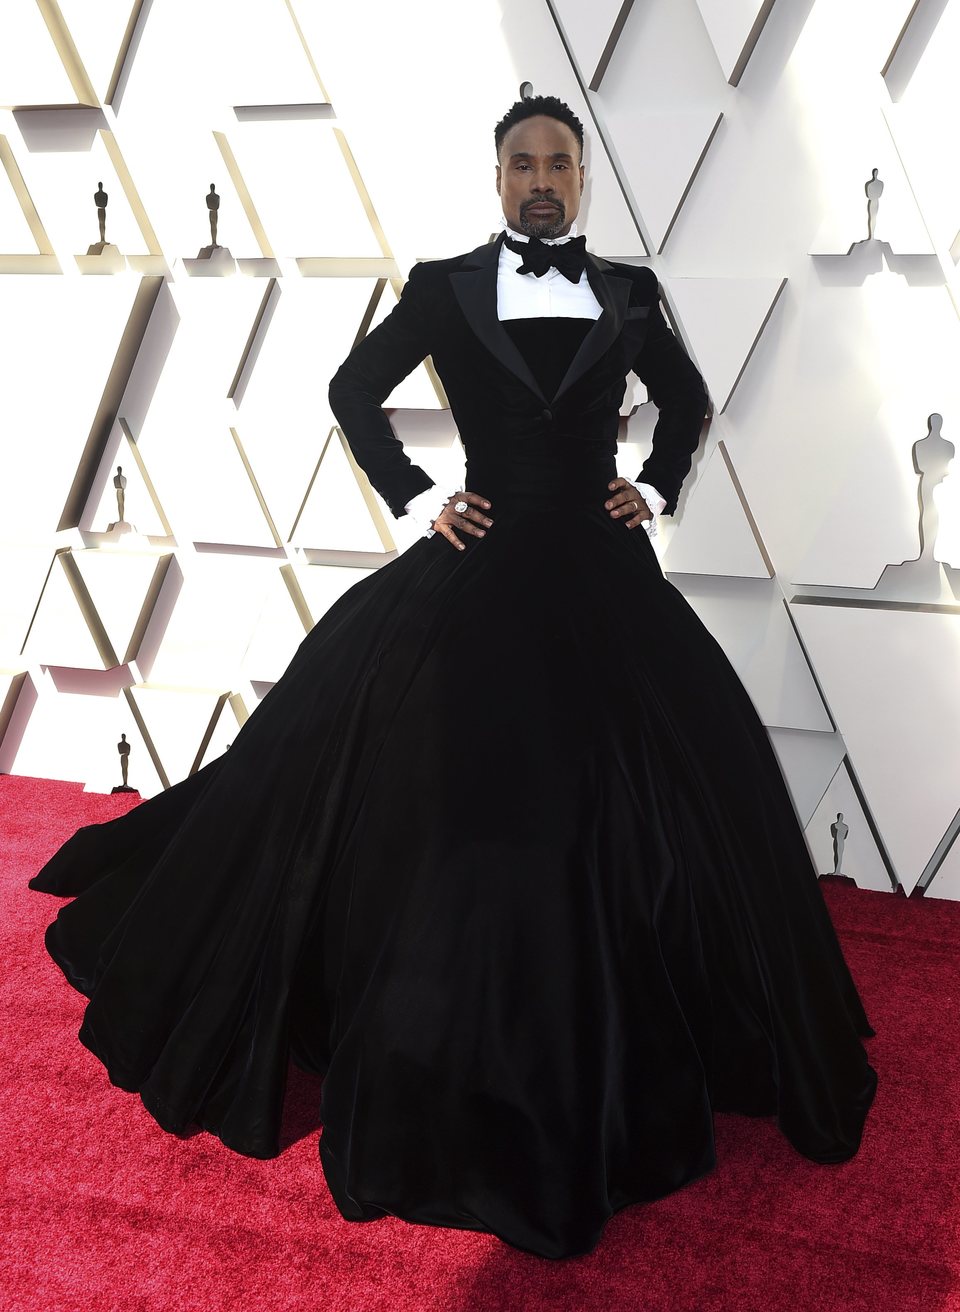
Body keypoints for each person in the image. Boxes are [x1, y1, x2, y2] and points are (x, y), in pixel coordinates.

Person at [30, 94, 877, 1262]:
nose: (541, 180)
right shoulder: (441, 285)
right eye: (522, 163)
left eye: (559, 164)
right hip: (473, 571)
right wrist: (420, 496)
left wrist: (660, 484)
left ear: (582, 181)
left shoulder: (629, 293)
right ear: (498, 181)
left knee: (656, 811)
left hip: (601, 579)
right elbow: (350, 390)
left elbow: (684, 402)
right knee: (414, 805)